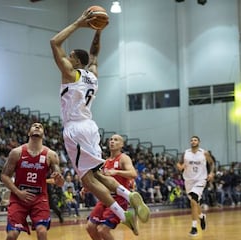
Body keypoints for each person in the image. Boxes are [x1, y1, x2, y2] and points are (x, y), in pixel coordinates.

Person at [50, 9, 150, 233]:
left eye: (71, 56)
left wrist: (78, 22)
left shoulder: (70, 74)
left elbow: (54, 42)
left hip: (75, 130)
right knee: (98, 174)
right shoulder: (92, 74)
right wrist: (99, 31)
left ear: (75, 60)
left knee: (87, 180)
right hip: (91, 127)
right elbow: (94, 54)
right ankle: (128, 195)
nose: (67, 57)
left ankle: (122, 213)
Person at [1, 122, 64, 240]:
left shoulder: (51, 155)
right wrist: (18, 192)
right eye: (34, 125)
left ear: (43, 135)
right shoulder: (16, 152)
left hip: (39, 198)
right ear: (29, 132)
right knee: (12, 235)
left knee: (42, 232)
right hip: (18, 197)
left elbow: (60, 182)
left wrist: (59, 179)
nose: (37, 127)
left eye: (40, 126)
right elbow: (4, 176)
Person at [86, 134, 138, 239]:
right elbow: (99, 179)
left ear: (122, 144)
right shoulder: (105, 162)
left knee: (102, 230)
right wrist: (86, 187)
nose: (112, 141)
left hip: (119, 200)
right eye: (111, 139)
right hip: (105, 198)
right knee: (90, 227)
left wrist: (116, 172)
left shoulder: (124, 158)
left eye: (116, 140)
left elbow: (133, 173)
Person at [177, 135, 215, 236]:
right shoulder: (186, 153)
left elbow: (212, 163)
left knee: (193, 201)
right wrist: (180, 167)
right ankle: (202, 216)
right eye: (192, 140)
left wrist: (211, 173)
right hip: (188, 180)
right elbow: (179, 164)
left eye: (195, 140)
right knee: (195, 203)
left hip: (200, 179)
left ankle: (194, 227)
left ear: (199, 142)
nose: (193, 141)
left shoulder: (204, 152)